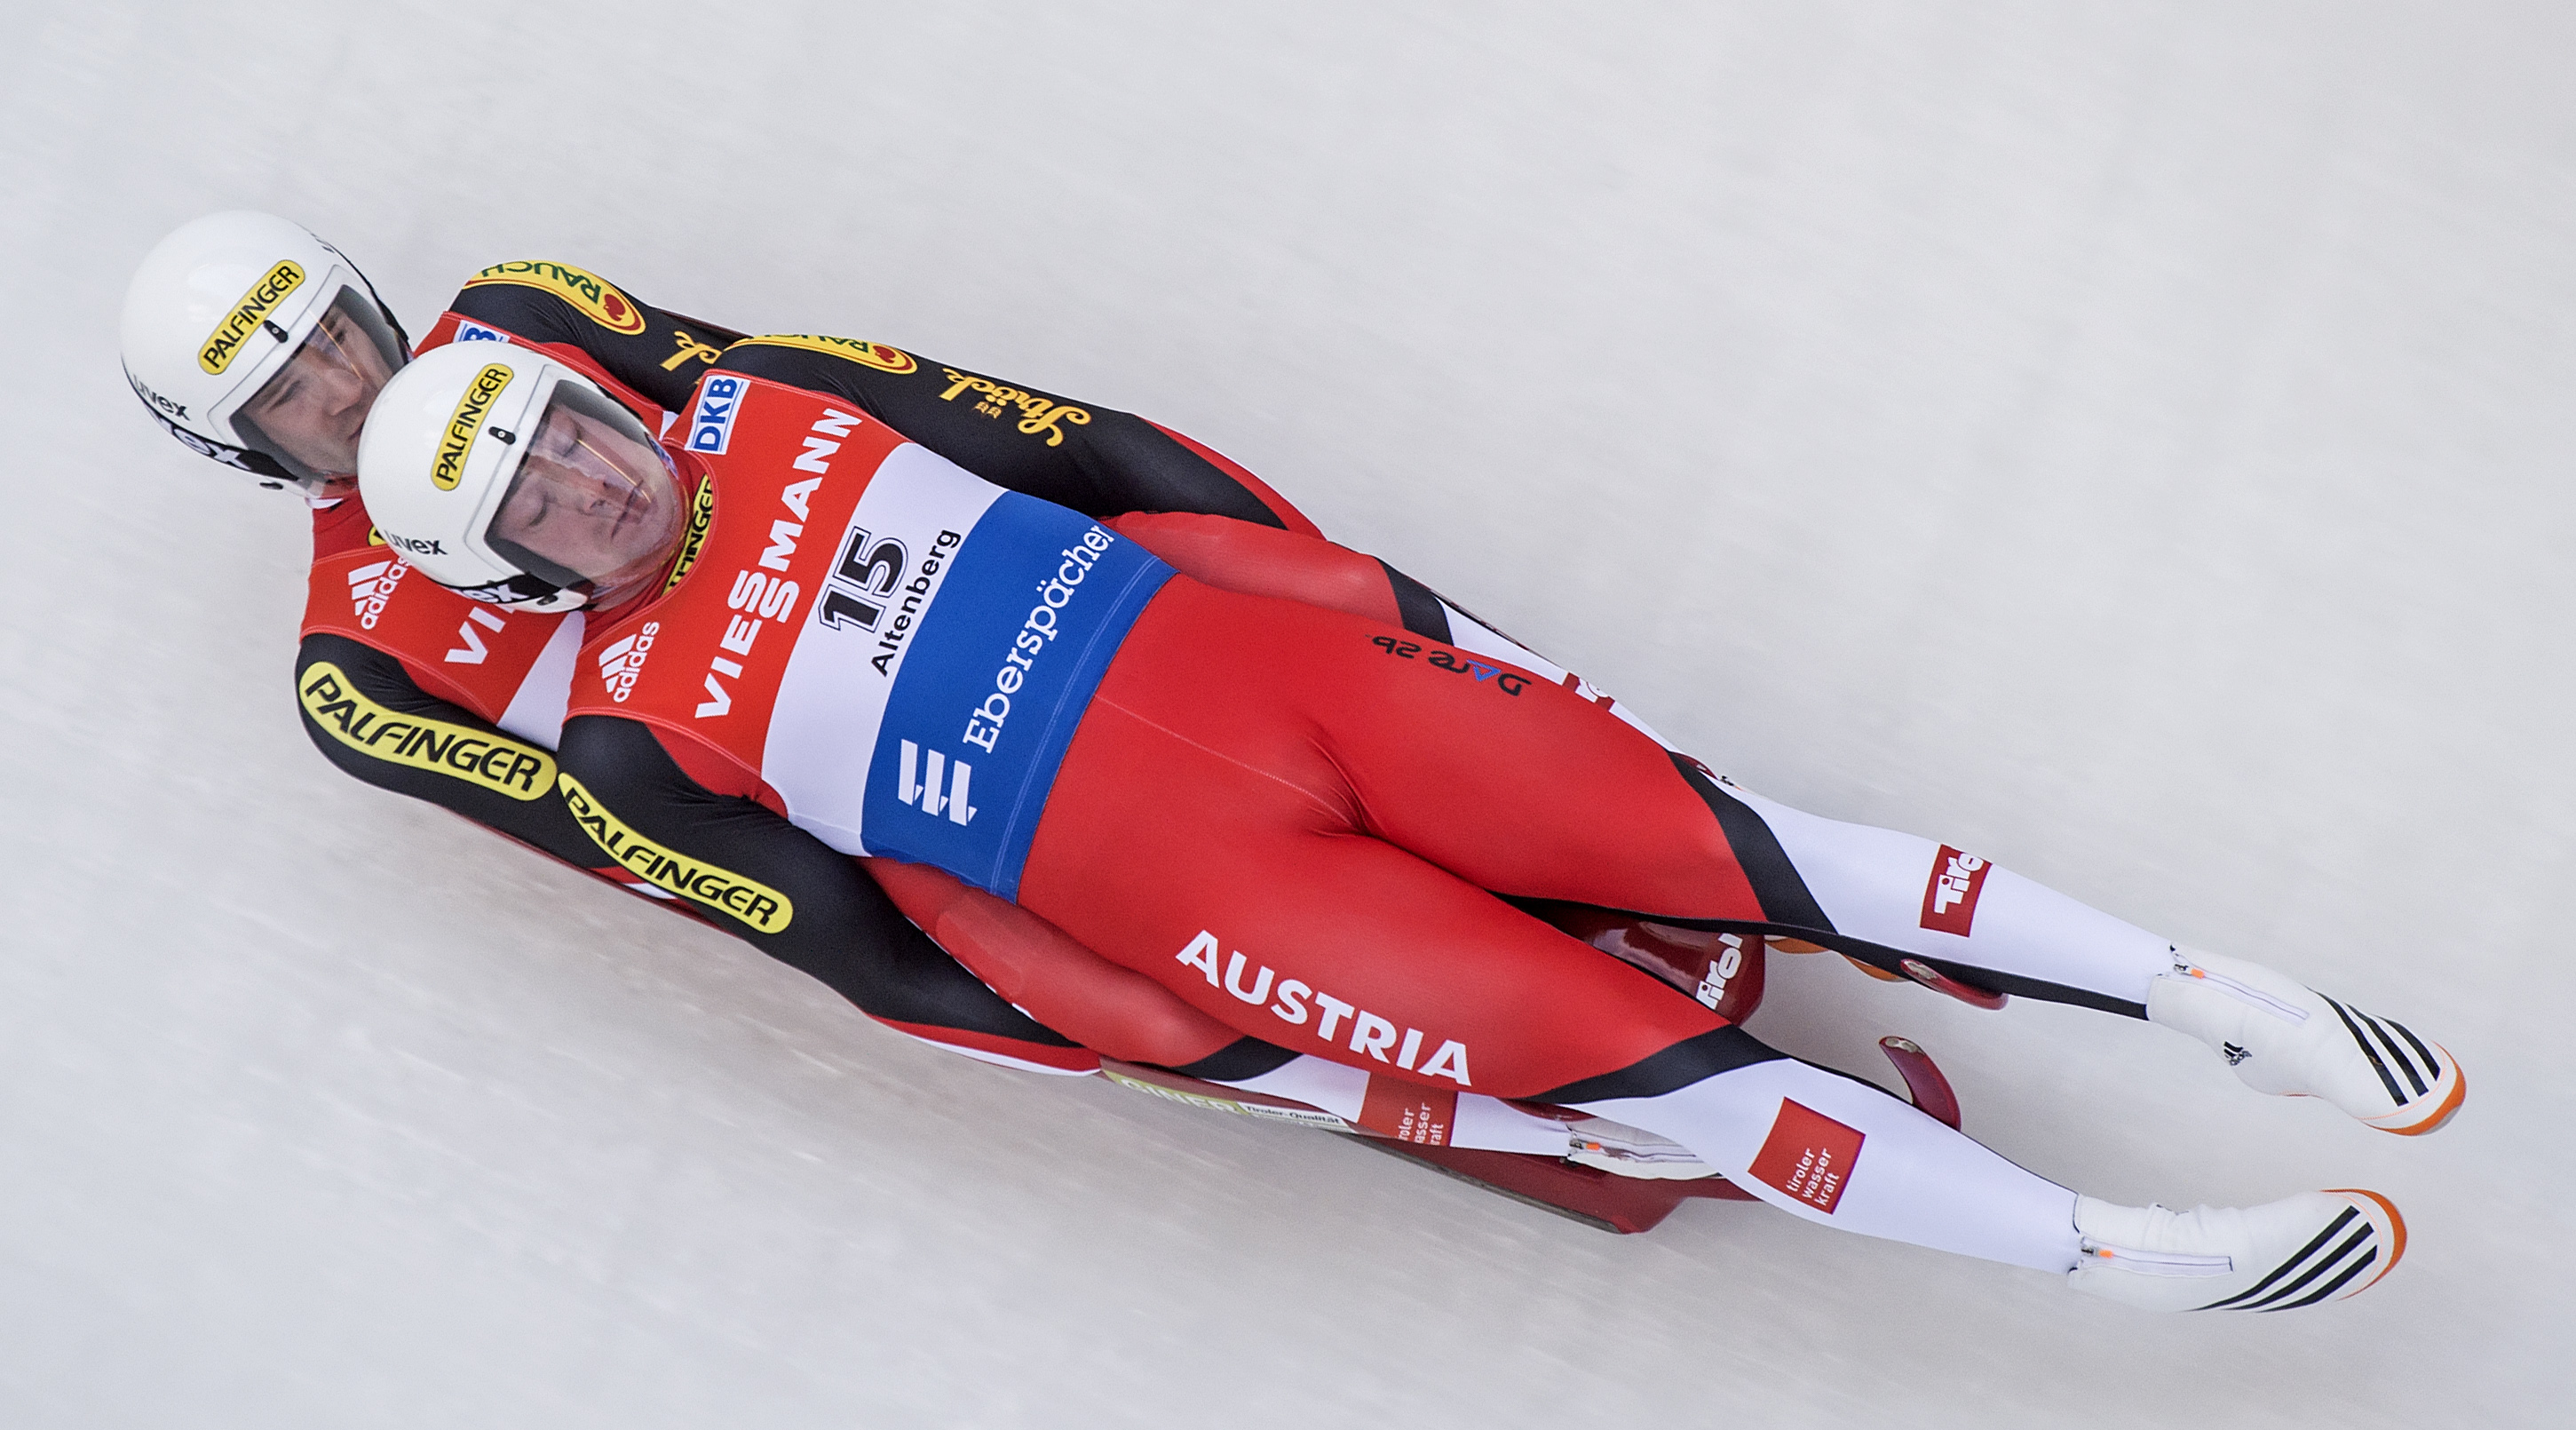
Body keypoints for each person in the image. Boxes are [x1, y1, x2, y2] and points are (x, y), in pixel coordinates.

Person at [361, 336, 2462, 1312]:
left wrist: (1349, 596)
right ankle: (2111, 1255)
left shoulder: (768, 400)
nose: (594, 478)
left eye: (572, 429)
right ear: (515, 576)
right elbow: (874, 957)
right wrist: (1173, 1037)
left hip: (1297, 692)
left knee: (1774, 851)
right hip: (1219, 898)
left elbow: (1091, 442)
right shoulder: (633, 738)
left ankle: (2210, 995)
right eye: (539, 499)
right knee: (1682, 1082)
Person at [117, 214, 1695, 1177]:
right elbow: (643, 847)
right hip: (862, 794)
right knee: (1122, 997)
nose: (344, 389)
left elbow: (808, 395)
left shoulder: (522, 312)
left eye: (334, 336)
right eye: (291, 397)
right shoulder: (356, 671)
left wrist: (1105, 496)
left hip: (979, 618)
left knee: (1276, 583)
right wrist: (933, 989)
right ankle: (1559, 1119)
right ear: (240, 447)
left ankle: (1652, 800)